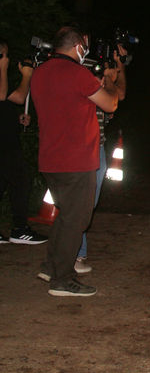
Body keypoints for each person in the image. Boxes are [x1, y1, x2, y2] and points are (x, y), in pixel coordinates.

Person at [31, 26, 123, 297]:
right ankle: (62, 280)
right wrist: (110, 81)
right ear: (77, 47)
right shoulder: (77, 74)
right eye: (84, 46)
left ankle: (51, 266)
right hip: (77, 160)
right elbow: (110, 104)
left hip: (50, 158)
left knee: (65, 216)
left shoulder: (40, 73)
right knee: (76, 221)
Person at [75, 43, 128, 274]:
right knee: (79, 204)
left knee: (83, 204)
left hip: (95, 144)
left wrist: (118, 69)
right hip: (83, 145)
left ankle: (75, 254)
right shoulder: (80, 69)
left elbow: (119, 94)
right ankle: (73, 256)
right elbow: (113, 98)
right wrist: (108, 78)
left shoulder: (99, 70)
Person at [0, 39, 47, 245]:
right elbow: (7, 96)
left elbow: (10, 102)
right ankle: (19, 229)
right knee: (21, 181)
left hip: (7, 139)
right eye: (3, 54)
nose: (7, 59)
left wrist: (17, 119)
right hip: (5, 145)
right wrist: (26, 76)